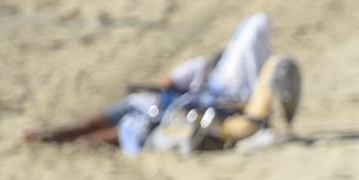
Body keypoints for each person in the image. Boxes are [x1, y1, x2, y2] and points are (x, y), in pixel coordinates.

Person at [25, 12, 278, 153]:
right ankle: (56, 139)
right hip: (155, 111)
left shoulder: (205, 69)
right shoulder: (226, 79)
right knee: (101, 132)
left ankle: (52, 138)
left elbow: (166, 82)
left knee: (92, 127)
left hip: (152, 110)